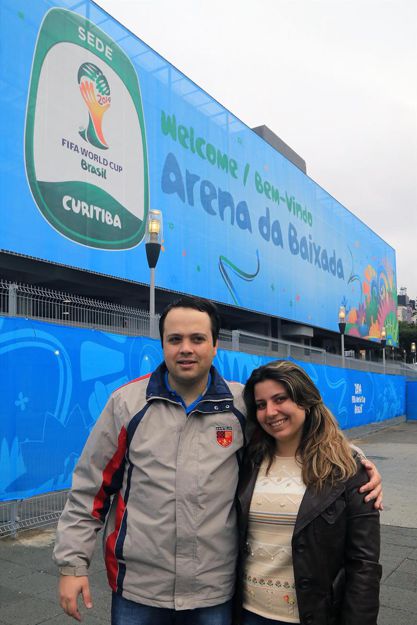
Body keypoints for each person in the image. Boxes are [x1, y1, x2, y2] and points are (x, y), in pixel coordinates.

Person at [53, 297, 382, 625]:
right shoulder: (127, 405)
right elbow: (90, 490)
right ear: (162, 344)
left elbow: (298, 432)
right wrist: (72, 565)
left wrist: (355, 462)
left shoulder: (242, 406)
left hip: (213, 592)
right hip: (139, 590)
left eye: (197, 339)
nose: (186, 348)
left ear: (214, 346)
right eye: (175, 339)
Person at [235, 360, 382, 625]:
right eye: (261, 405)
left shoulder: (347, 469)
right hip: (248, 614)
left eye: (280, 399)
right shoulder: (248, 462)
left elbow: (364, 565)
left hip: (313, 615)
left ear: (304, 399)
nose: (270, 412)